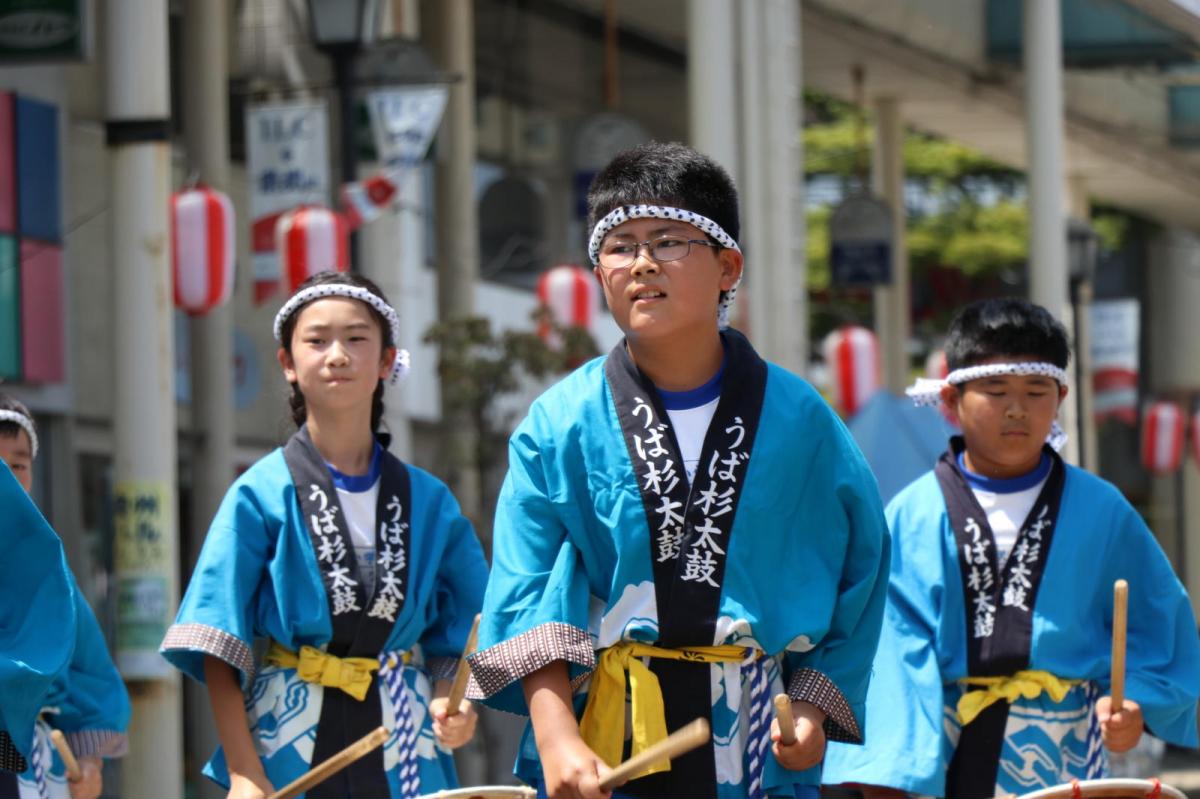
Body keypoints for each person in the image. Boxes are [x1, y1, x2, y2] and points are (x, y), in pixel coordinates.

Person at [468, 142, 890, 799]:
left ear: (728, 266)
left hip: (754, 739)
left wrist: (809, 705)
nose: (641, 264)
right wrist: (556, 736)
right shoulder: (560, 423)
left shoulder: (801, 420)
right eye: (619, 245)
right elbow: (528, 585)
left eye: (668, 242)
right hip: (614, 745)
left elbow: (859, 572)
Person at [822, 298, 1200, 798]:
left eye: (1036, 390)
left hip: (1070, 752)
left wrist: (1132, 706)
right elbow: (890, 659)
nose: (1017, 408)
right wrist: (888, 781)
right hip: (942, 756)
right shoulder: (912, 515)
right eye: (996, 391)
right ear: (951, 401)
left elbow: (1159, 633)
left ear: (1061, 397)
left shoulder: (1104, 510)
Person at [160, 272, 489, 799]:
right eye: (316, 340)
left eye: (357, 338)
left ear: (387, 361)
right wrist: (245, 770)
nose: (337, 355)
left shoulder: (429, 501)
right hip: (286, 733)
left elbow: (468, 627)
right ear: (287, 363)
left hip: (402, 728)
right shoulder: (259, 493)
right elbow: (217, 640)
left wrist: (455, 699)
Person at [0, 395, 130, 799]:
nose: (5, 475)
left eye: (17, 465)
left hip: (35, 758)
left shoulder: (51, 573)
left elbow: (89, 669)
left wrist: (88, 763)